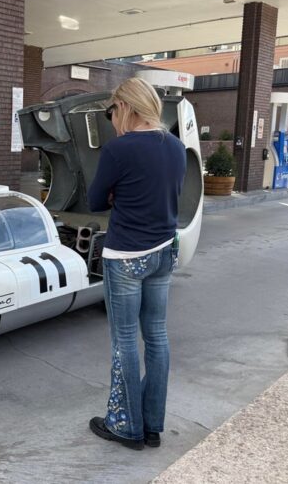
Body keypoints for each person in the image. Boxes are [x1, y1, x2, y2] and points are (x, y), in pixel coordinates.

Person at [86, 77, 187, 450]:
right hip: (164, 250)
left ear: (125, 107)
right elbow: (167, 195)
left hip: (126, 254)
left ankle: (125, 426)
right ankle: (152, 425)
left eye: (112, 111)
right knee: (157, 337)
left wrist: (117, 195)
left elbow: (95, 200)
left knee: (125, 340)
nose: (112, 119)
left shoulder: (119, 150)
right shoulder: (176, 147)